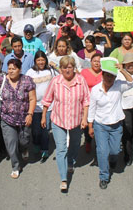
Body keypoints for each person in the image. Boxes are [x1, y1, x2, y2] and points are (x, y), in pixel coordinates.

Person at [41, 56, 89, 192]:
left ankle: (71, 161)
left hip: (76, 121)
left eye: (70, 67)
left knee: (74, 145)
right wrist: (44, 116)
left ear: (73, 68)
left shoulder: (81, 81)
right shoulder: (55, 81)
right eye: (64, 67)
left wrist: (85, 119)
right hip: (58, 120)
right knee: (61, 149)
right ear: (60, 69)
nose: (67, 70)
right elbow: (47, 99)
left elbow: (86, 101)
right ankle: (63, 178)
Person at [88, 57, 133, 189]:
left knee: (114, 151)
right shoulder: (96, 90)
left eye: (112, 76)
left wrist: (123, 70)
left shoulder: (119, 85)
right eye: (107, 76)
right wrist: (90, 126)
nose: (109, 79)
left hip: (116, 125)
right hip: (100, 125)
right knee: (102, 151)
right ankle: (104, 176)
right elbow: (92, 109)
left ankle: (113, 160)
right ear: (102, 75)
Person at [0, 59, 36, 179]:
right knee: (11, 143)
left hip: (24, 118)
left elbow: (32, 99)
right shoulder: (2, 80)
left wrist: (30, 114)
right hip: (7, 118)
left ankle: (24, 149)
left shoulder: (27, 80)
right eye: (9, 68)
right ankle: (15, 166)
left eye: (14, 68)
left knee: (24, 140)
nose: (11, 71)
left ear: (19, 69)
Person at [25, 51, 57, 163]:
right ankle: (36, 143)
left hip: (48, 105)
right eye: (38, 60)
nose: (41, 62)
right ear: (35, 61)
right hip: (35, 105)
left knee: (46, 128)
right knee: (36, 130)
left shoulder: (50, 71)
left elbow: (57, 81)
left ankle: (45, 149)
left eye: (42, 60)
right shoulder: (30, 72)